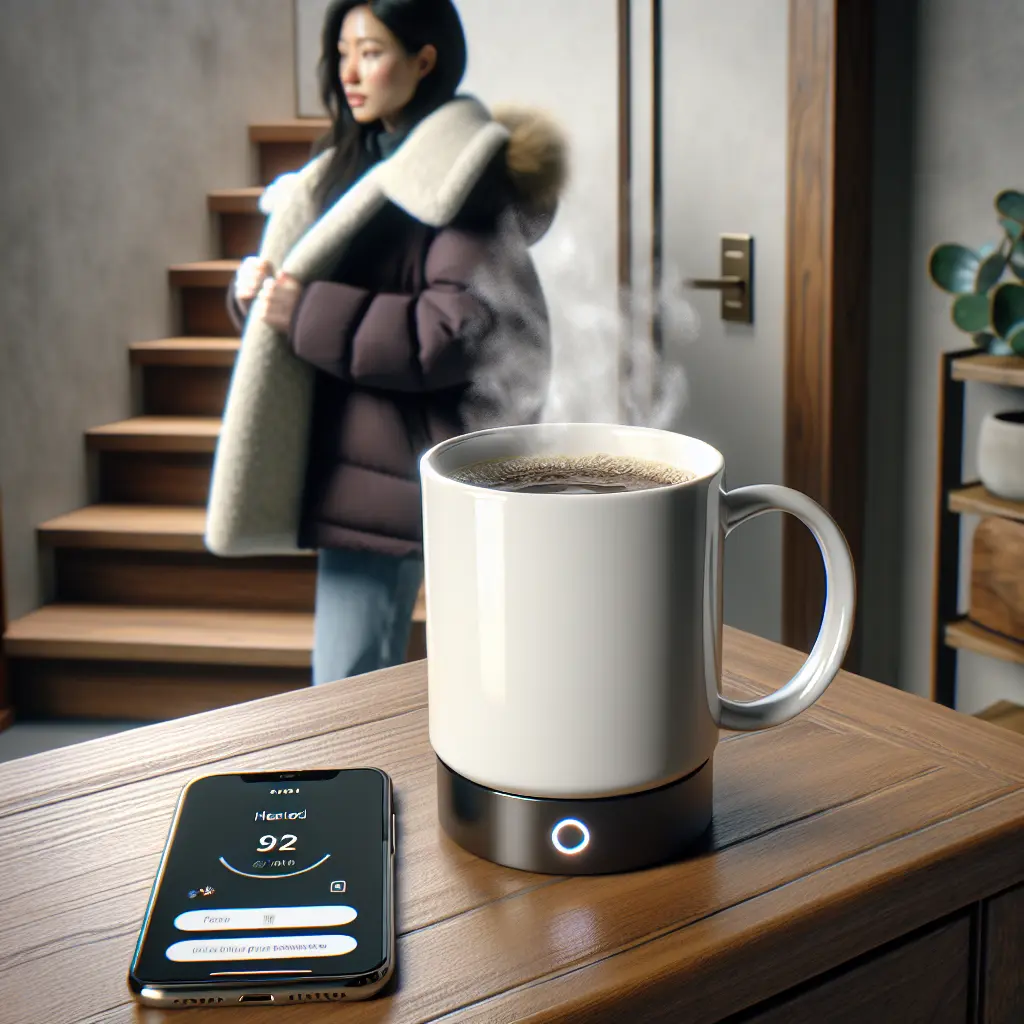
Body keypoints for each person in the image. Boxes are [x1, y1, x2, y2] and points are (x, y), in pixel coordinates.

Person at [227, 0, 566, 685]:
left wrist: (305, 310)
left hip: (417, 463)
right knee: (352, 684)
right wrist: (258, 299)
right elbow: (310, 313)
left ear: (425, 59)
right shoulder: (344, 166)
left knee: (437, 681)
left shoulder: (457, 174)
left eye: (371, 52)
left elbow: (455, 328)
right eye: (343, 52)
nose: (350, 72)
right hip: (361, 465)